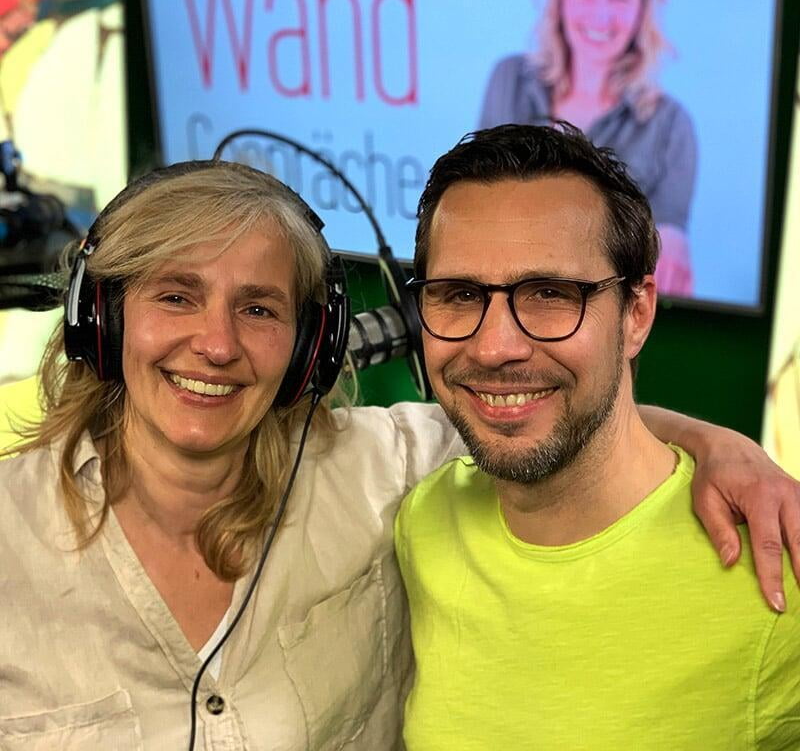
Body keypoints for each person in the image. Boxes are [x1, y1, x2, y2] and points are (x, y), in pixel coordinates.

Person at [0, 159, 797, 750]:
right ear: (99, 314)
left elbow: (537, 414)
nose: (216, 344)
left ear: (310, 347)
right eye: (176, 296)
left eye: (260, 308)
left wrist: (721, 447)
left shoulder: (383, 469)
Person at [396, 123, 800, 749]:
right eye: (460, 294)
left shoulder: (776, 581)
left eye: (550, 293)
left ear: (637, 313)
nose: (495, 346)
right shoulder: (423, 521)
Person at [479, 0, 695, 296]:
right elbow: (479, 201)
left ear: (642, 6)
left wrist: (672, 248)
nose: (601, 15)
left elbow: (670, 235)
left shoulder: (672, 125)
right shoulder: (510, 79)